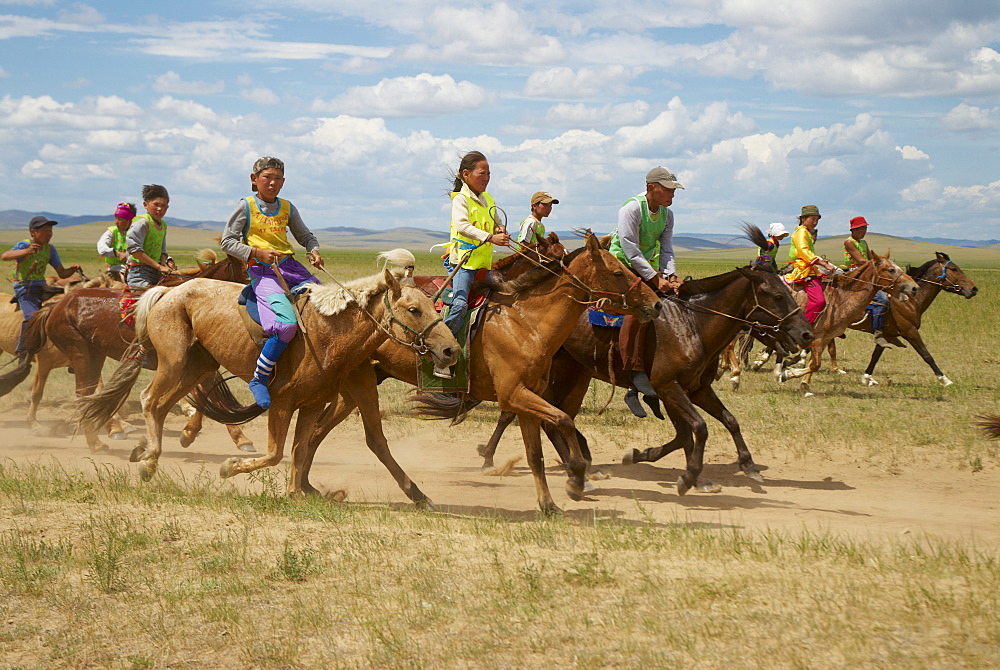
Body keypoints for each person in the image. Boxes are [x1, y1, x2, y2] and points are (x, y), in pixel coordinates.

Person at [221, 156, 324, 409]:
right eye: (267, 177)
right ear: (254, 179)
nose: (272, 183)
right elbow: (227, 241)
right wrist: (256, 253)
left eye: (278, 178)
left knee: (328, 310)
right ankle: (259, 379)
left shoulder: (287, 207)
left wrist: (314, 250)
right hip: (264, 272)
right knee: (286, 326)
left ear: (283, 182)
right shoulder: (246, 205)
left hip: (292, 269)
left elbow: (305, 236)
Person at [608, 166, 684, 417]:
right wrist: (654, 278)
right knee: (639, 306)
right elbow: (629, 249)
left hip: (646, 268)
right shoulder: (631, 209)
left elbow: (667, 247)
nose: (672, 195)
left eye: (673, 190)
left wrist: (670, 275)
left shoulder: (667, 215)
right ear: (652, 188)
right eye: (668, 189)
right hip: (621, 266)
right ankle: (633, 370)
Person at [439, 151, 510, 378]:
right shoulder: (460, 199)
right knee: (459, 305)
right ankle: (442, 354)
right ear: (466, 174)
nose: (487, 177)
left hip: (483, 265)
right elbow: (461, 226)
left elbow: (496, 222)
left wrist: (500, 230)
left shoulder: (488, 199)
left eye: (489, 173)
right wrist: (490, 238)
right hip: (464, 263)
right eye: (482, 173)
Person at [2, 216, 82, 357]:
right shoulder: (24, 244)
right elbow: (5, 256)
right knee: (32, 317)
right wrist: (26, 252)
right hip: (26, 288)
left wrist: (72, 269)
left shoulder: (50, 249)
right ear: (33, 232)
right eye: (45, 230)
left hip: (43, 288)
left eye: (50, 230)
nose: (49, 234)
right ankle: (24, 348)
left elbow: (62, 273)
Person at [843, 215, 894, 348]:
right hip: (857, 274)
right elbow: (861, 260)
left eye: (865, 228)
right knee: (881, 300)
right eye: (862, 229)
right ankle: (878, 334)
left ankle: (890, 331)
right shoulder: (849, 242)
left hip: (868, 273)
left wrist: (881, 262)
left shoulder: (863, 243)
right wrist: (880, 265)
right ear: (854, 230)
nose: (864, 231)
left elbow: (871, 258)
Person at [786, 205, 840, 324]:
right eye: (812, 219)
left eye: (817, 220)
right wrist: (823, 264)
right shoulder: (801, 232)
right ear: (803, 218)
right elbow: (804, 252)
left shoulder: (806, 232)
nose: (815, 223)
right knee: (819, 301)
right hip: (803, 270)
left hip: (810, 267)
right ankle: (805, 327)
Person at [126, 184, 177, 287]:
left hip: (157, 272)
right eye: (156, 204)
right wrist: (159, 267)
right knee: (147, 298)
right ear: (145, 205)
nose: (159, 209)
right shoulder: (142, 223)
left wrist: (164, 263)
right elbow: (135, 251)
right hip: (139, 273)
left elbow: (162, 251)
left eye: (163, 206)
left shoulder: (163, 225)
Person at [97, 202, 136, 282]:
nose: (116, 222)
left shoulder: (137, 232)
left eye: (120, 219)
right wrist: (117, 253)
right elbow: (101, 248)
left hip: (134, 271)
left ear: (130, 220)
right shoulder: (112, 232)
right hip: (114, 271)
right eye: (116, 218)